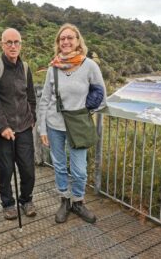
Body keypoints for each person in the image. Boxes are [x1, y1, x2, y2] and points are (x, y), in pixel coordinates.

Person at [39, 23, 106, 224]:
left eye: (70, 38)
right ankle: (65, 200)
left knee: (79, 169)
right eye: (62, 39)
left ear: (78, 41)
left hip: (77, 125)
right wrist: (42, 128)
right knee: (59, 165)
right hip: (54, 124)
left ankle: (78, 201)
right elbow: (45, 99)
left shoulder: (89, 66)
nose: (66, 41)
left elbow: (101, 95)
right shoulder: (53, 68)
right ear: (58, 43)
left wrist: (85, 111)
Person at [0, 28, 37, 220]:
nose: (13, 46)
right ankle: (8, 203)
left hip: (24, 128)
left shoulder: (25, 68)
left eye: (16, 42)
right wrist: (2, 126)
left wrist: (32, 117)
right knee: (6, 169)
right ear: (2, 44)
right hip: (4, 130)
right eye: (8, 42)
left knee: (28, 169)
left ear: (21, 44)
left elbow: (31, 96)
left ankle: (26, 199)